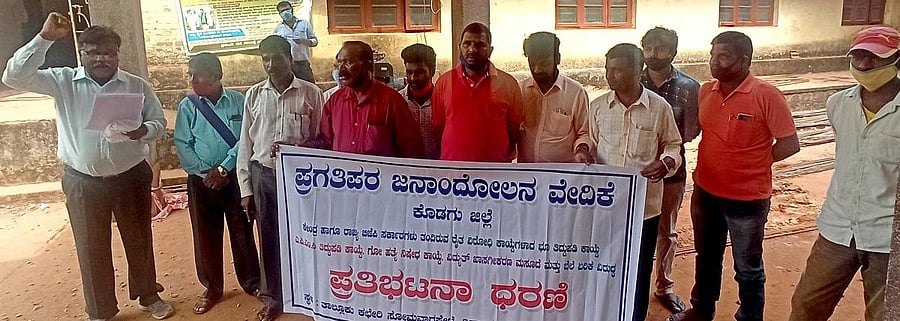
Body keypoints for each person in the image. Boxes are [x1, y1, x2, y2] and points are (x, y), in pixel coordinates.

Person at [2, 13, 173, 320]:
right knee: (91, 248)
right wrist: (45, 38)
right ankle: (101, 310)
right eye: (93, 52)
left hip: (131, 177)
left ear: (117, 55)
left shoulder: (136, 85)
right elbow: (13, 77)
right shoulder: (63, 81)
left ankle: (149, 295)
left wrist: (142, 131)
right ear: (83, 54)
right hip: (83, 181)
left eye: (108, 52)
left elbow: (158, 123)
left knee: (139, 239)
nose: (101, 58)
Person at [668, 31, 799, 321]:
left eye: (723, 56)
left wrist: (754, 161)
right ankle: (702, 310)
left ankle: (749, 317)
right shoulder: (706, 91)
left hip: (747, 201)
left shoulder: (766, 95)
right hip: (705, 192)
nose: (715, 62)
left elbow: (790, 144)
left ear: (745, 59)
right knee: (706, 258)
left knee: (748, 268)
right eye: (713, 55)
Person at [789, 26, 900, 321]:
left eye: (874, 57)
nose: (864, 65)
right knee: (805, 307)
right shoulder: (838, 104)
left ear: (896, 61)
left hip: (886, 237)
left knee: (883, 314)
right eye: (859, 56)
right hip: (837, 228)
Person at [589, 43, 683, 321]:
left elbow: (673, 145)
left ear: (638, 70)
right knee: (605, 264)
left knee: (639, 269)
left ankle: (635, 316)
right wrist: (585, 153)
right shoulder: (598, 107)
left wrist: (666, 163)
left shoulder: (659, 108)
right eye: (608, 70)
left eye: (618, 70)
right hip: (606, 207)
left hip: (645, 209)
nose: (611, 76)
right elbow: (591, 144)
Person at [236, 35, 323, 321]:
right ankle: (274, 296)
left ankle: (312, 293)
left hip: (301, 181)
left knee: (306, 236)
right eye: (265, 59)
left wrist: (299, 151)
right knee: (270, 237)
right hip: (264, 175)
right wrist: (246, 189)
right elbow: (245, 146)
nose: (271, 65)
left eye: (276, 58)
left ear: (290, 58)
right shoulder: (254, 95)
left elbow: (322, 139)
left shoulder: (311, 94)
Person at [173, 53, 261, 315]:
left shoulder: (239, 101)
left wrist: (224, 168)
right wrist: (205, 172)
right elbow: (182, 143)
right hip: (202, 182)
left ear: (215, 76)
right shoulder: (187, 106)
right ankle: (212, 288)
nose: (190, 79)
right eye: (190, 74)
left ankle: (251, 281)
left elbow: (246, 138)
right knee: (205, 235)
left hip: (235, 178)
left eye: (196, 74)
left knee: (242, 231)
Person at [639, 26, 700, 314]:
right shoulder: (632, 79)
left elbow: (689, 131)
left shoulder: (688, 87)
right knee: (631, 229)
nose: (654, 53)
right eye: (649, 47)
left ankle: (664, 285)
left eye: (660, 47)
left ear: (673, 51)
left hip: (670, 172)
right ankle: (628, 282)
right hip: (634, 172)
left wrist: (663, 150)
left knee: (666, 231)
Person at [432, 22, 524, 162]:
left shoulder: (508, 84)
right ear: (459, 47)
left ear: (490, 50)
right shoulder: (444, 82)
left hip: (495, 173)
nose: (472, 49)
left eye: (480, 45)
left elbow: (513, 129)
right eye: (466, 44)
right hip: (453, 172)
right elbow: (439, 127)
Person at [316, 41, 424, 158]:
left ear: (368, 65)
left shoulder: (392, 101)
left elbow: (411, 148)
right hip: (342, 174)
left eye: (348, 62)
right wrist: (295, 151)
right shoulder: (335, 101)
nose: (341, 69)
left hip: (382, 175)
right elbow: (325, 142)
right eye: (339, 63)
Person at [518, 31, 593, 164]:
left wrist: (582, 149)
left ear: (557, 59)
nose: (537, 70)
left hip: (561, 178)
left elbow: (584, 133)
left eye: (544, 64)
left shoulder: (575, 92)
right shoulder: (520, 90)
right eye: (532, 64)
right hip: (526, 177)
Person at [399, 43, 440, 159]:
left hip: (438, 171)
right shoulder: (398, 101)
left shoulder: (443, 101)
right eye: (409, 72)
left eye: (419, 73)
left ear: (432, 71)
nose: (413, 78)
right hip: (405, 173)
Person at [273, 0, 317, 83]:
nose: (285, 12)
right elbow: (276, 46)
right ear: (279, 14)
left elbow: (315, 41)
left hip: (303, 63)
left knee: (310, 87)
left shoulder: (304, 24)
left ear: (292, 9)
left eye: (287, 9)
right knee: (290, 89)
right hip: (287, 65)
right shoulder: (278, 29)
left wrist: (305, 41)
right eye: (282, 11)